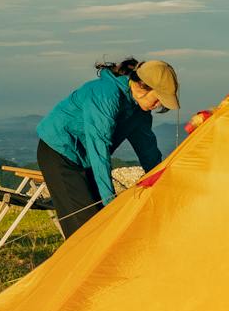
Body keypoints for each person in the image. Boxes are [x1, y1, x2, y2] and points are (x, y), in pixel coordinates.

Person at [35, 57, 180, 235]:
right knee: (87, 227)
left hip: (86, 159)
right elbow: (99, 149)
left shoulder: (140, 113)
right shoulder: (105, 94)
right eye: (158, 100)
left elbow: (149, 154)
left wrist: (166, 191)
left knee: (102, 223)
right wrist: (110, 201)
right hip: (58, 152)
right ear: (142, 87)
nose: (158, 106)